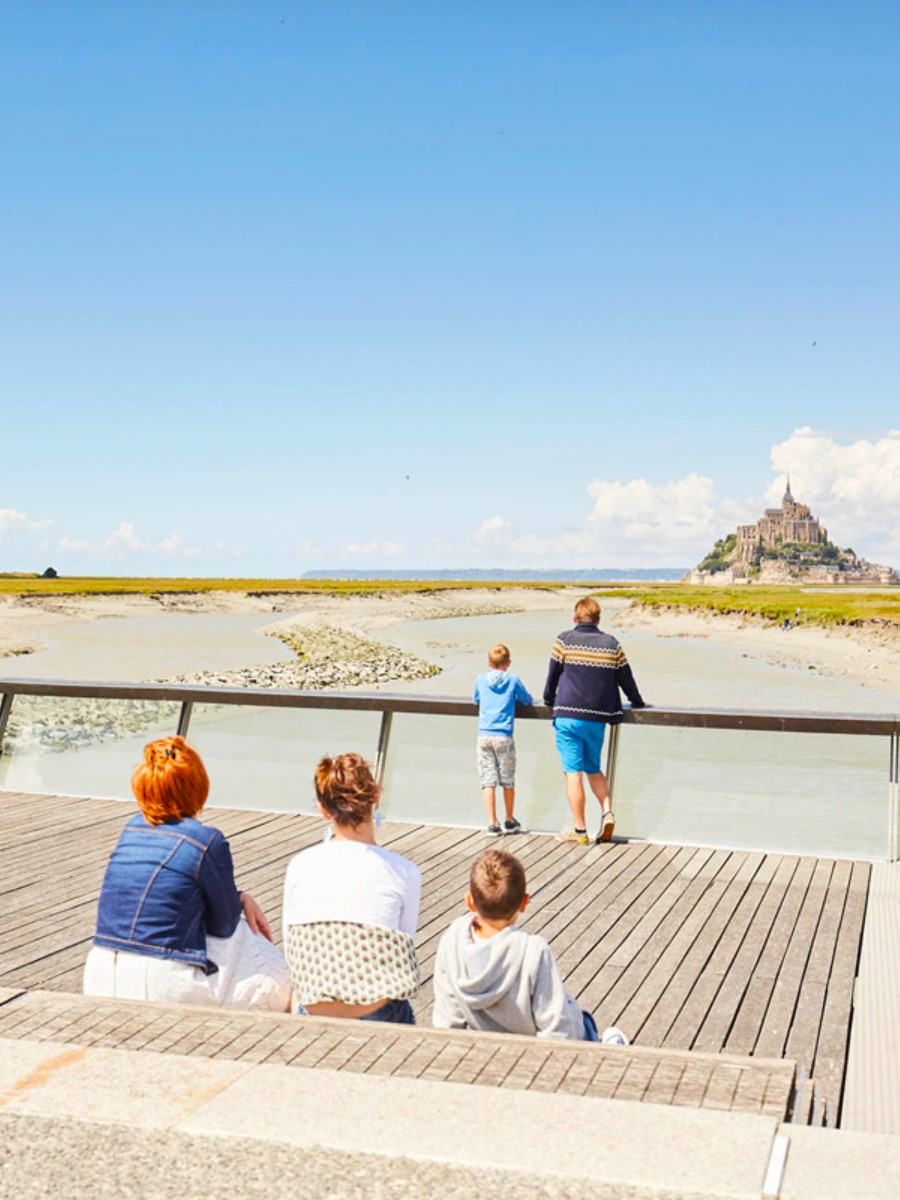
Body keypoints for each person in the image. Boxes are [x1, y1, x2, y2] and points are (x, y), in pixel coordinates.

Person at [84, 736, 291, 1011]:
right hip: (159, 982)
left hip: (100, 974)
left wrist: (238, 897)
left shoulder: (130, 830)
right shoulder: (205, 841)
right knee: (270, 964)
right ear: (198, 787)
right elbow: (224, 925)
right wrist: (239, 900)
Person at [282, 752, 422, 1024]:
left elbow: (291, 949)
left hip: (314, 1009)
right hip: (379, 1012)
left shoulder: (299, 865)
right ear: (376, 795)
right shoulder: (404, 871)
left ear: (324, 810)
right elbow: (403, 948)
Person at [432, 848, 611, 1042]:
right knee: (584, 1020)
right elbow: (557, 1030)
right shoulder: (533, 951)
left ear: (469, 901)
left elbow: (447, 1022)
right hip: (535, 1049)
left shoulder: (453, 939)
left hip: (489, 1046)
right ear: (524, 902)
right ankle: (611, 1043)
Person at [544, 596, 646, 845]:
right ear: (599, 620)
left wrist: (549, 700)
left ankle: (580, 831)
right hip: (597, 718)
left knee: (573, 773)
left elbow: (552, 677)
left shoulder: (564, 640)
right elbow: (626, 679)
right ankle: (607, 812)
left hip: (568, 714)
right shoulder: (611, 644)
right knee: (593, 769)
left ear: (575, 618)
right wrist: (638, 702)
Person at [472, 643, 534, 835]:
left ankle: (492, 822)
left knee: (488, 781)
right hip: (504, 736)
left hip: (484, 735)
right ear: (508, 663)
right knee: (507, 780)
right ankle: (509, 819)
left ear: (488, 662)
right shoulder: (513, 679)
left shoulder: (481, 680)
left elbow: (476, 700)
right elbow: (527, 699)